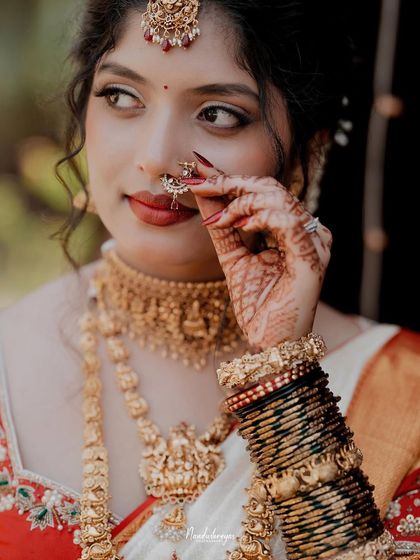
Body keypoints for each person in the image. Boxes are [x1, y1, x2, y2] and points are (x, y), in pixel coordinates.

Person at [0, 1, 419, 558]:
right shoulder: (8, 353)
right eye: (122, 97)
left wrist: (285, 382)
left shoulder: (401, 391)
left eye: (219, 113)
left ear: (306, 152)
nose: (155, 159)